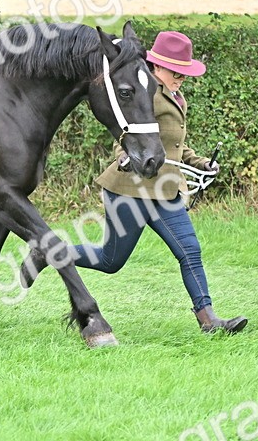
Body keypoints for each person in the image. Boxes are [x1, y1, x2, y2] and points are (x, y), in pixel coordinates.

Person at [71, 30, 247, 335]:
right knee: (111, 261)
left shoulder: (177, 96)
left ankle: (208, 320)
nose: (181, 78)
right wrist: (125, 156)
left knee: (189, 250)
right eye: (176, 72)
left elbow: (174, 145)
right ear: (158, 66)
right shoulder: (144, 90)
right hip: (130, 190)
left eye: (184, 73)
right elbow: (124, 132)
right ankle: (50, 252)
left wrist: (200, 162)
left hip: (166, 190)